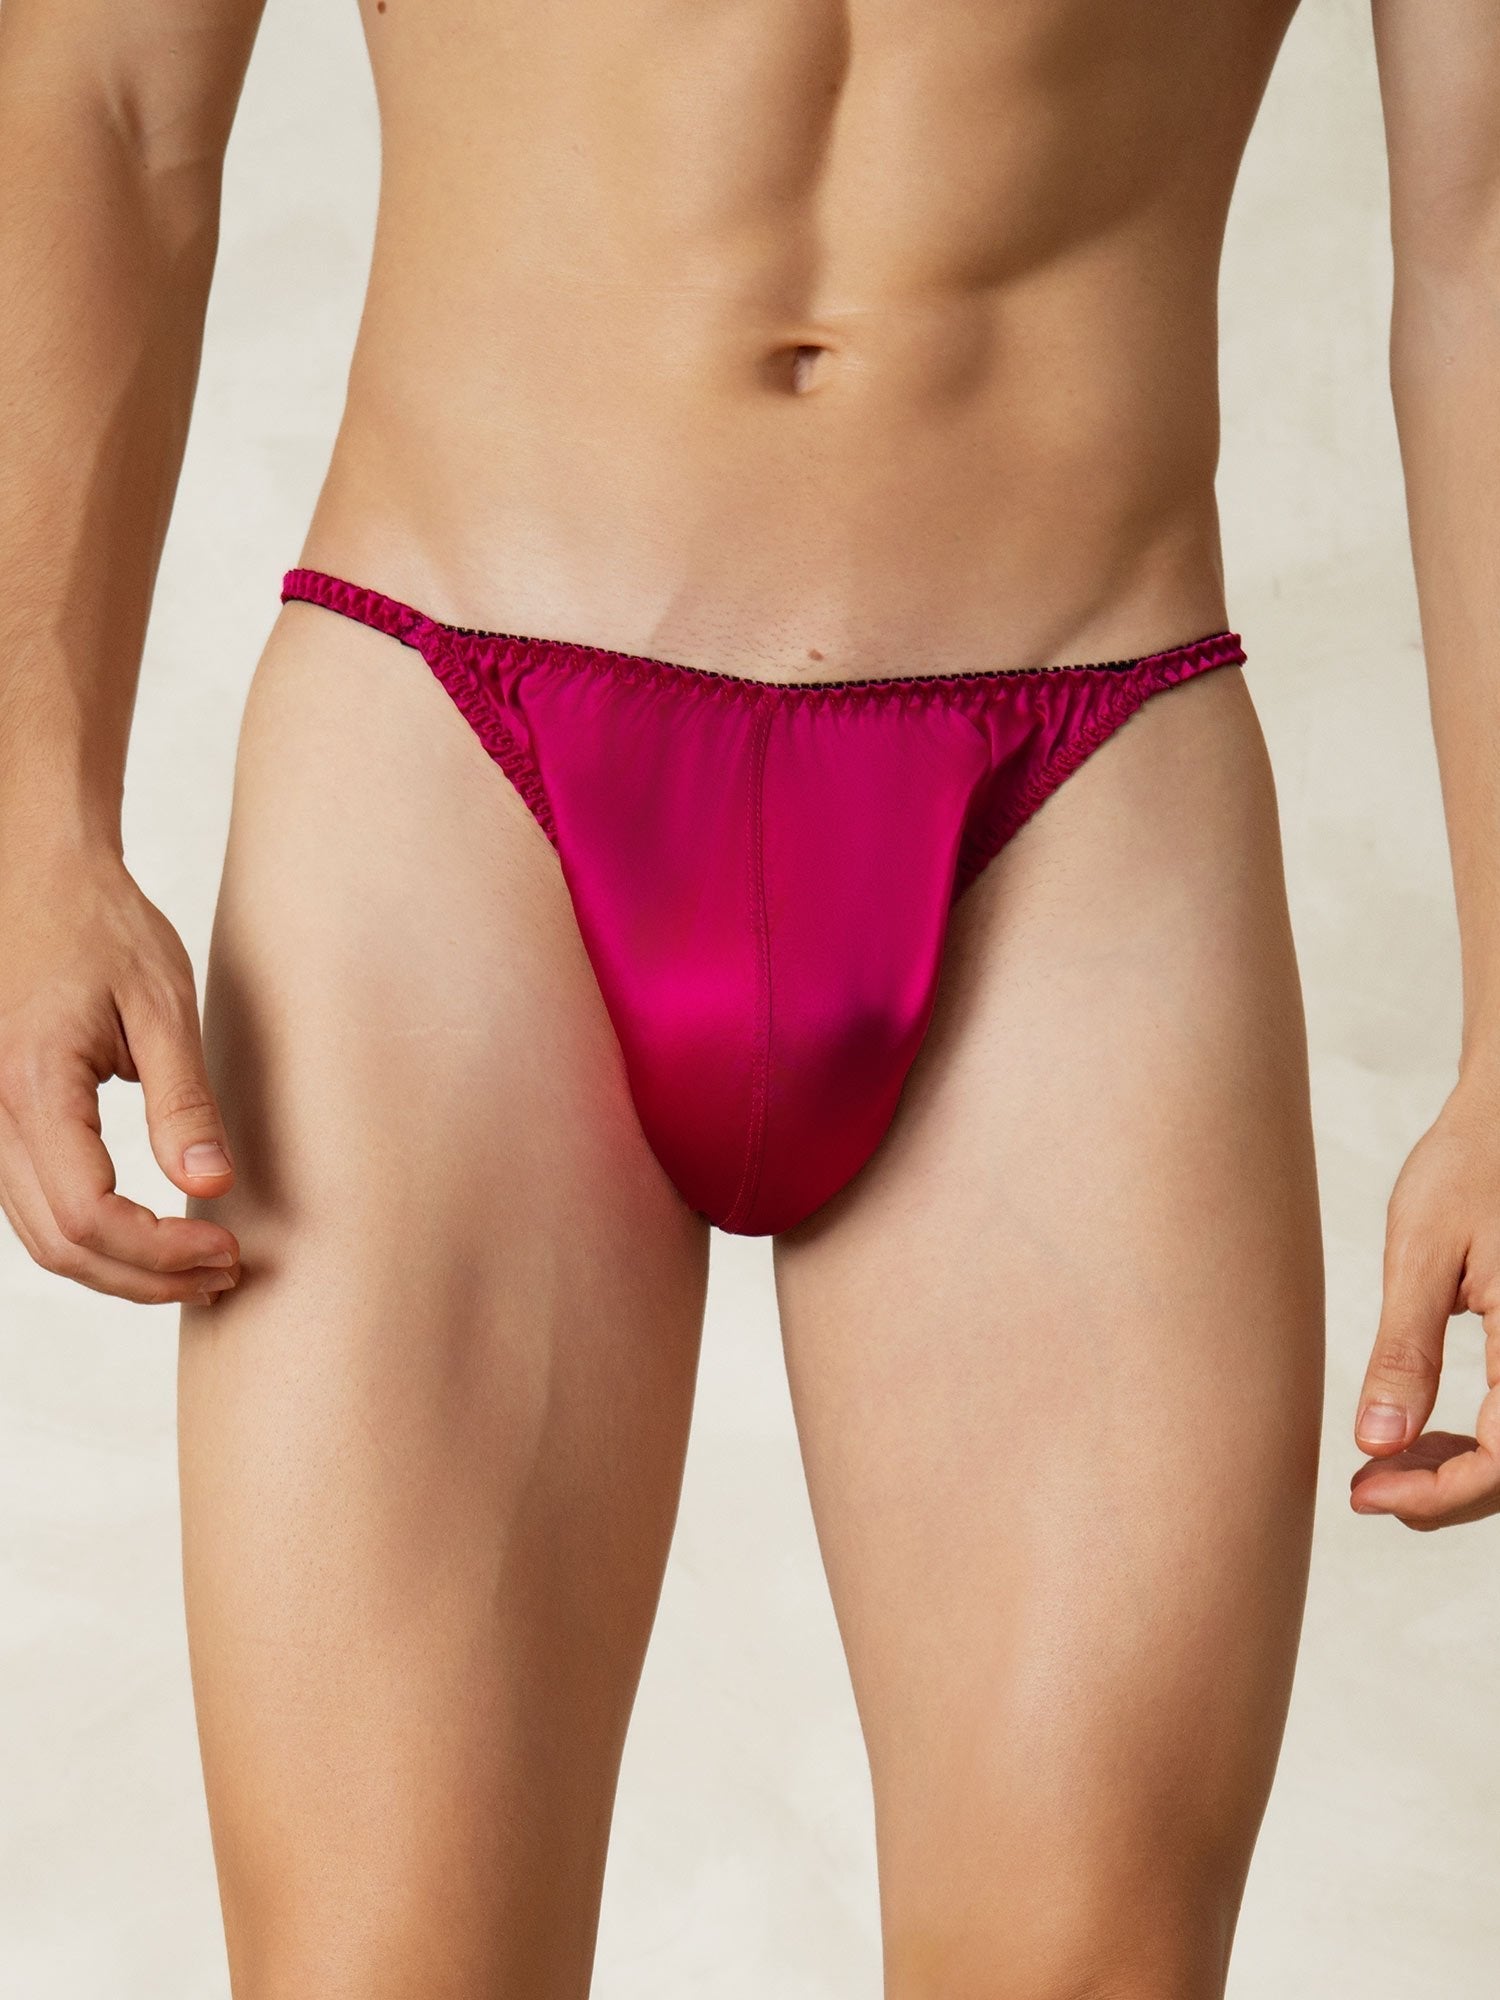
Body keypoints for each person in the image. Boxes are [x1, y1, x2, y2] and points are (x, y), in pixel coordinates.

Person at [0, 0, 1493, 1990]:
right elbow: (106, 94)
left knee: (1088, 1967)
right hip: (446, 741)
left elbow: (1485, 217)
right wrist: (32, 815)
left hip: (1081, 764)